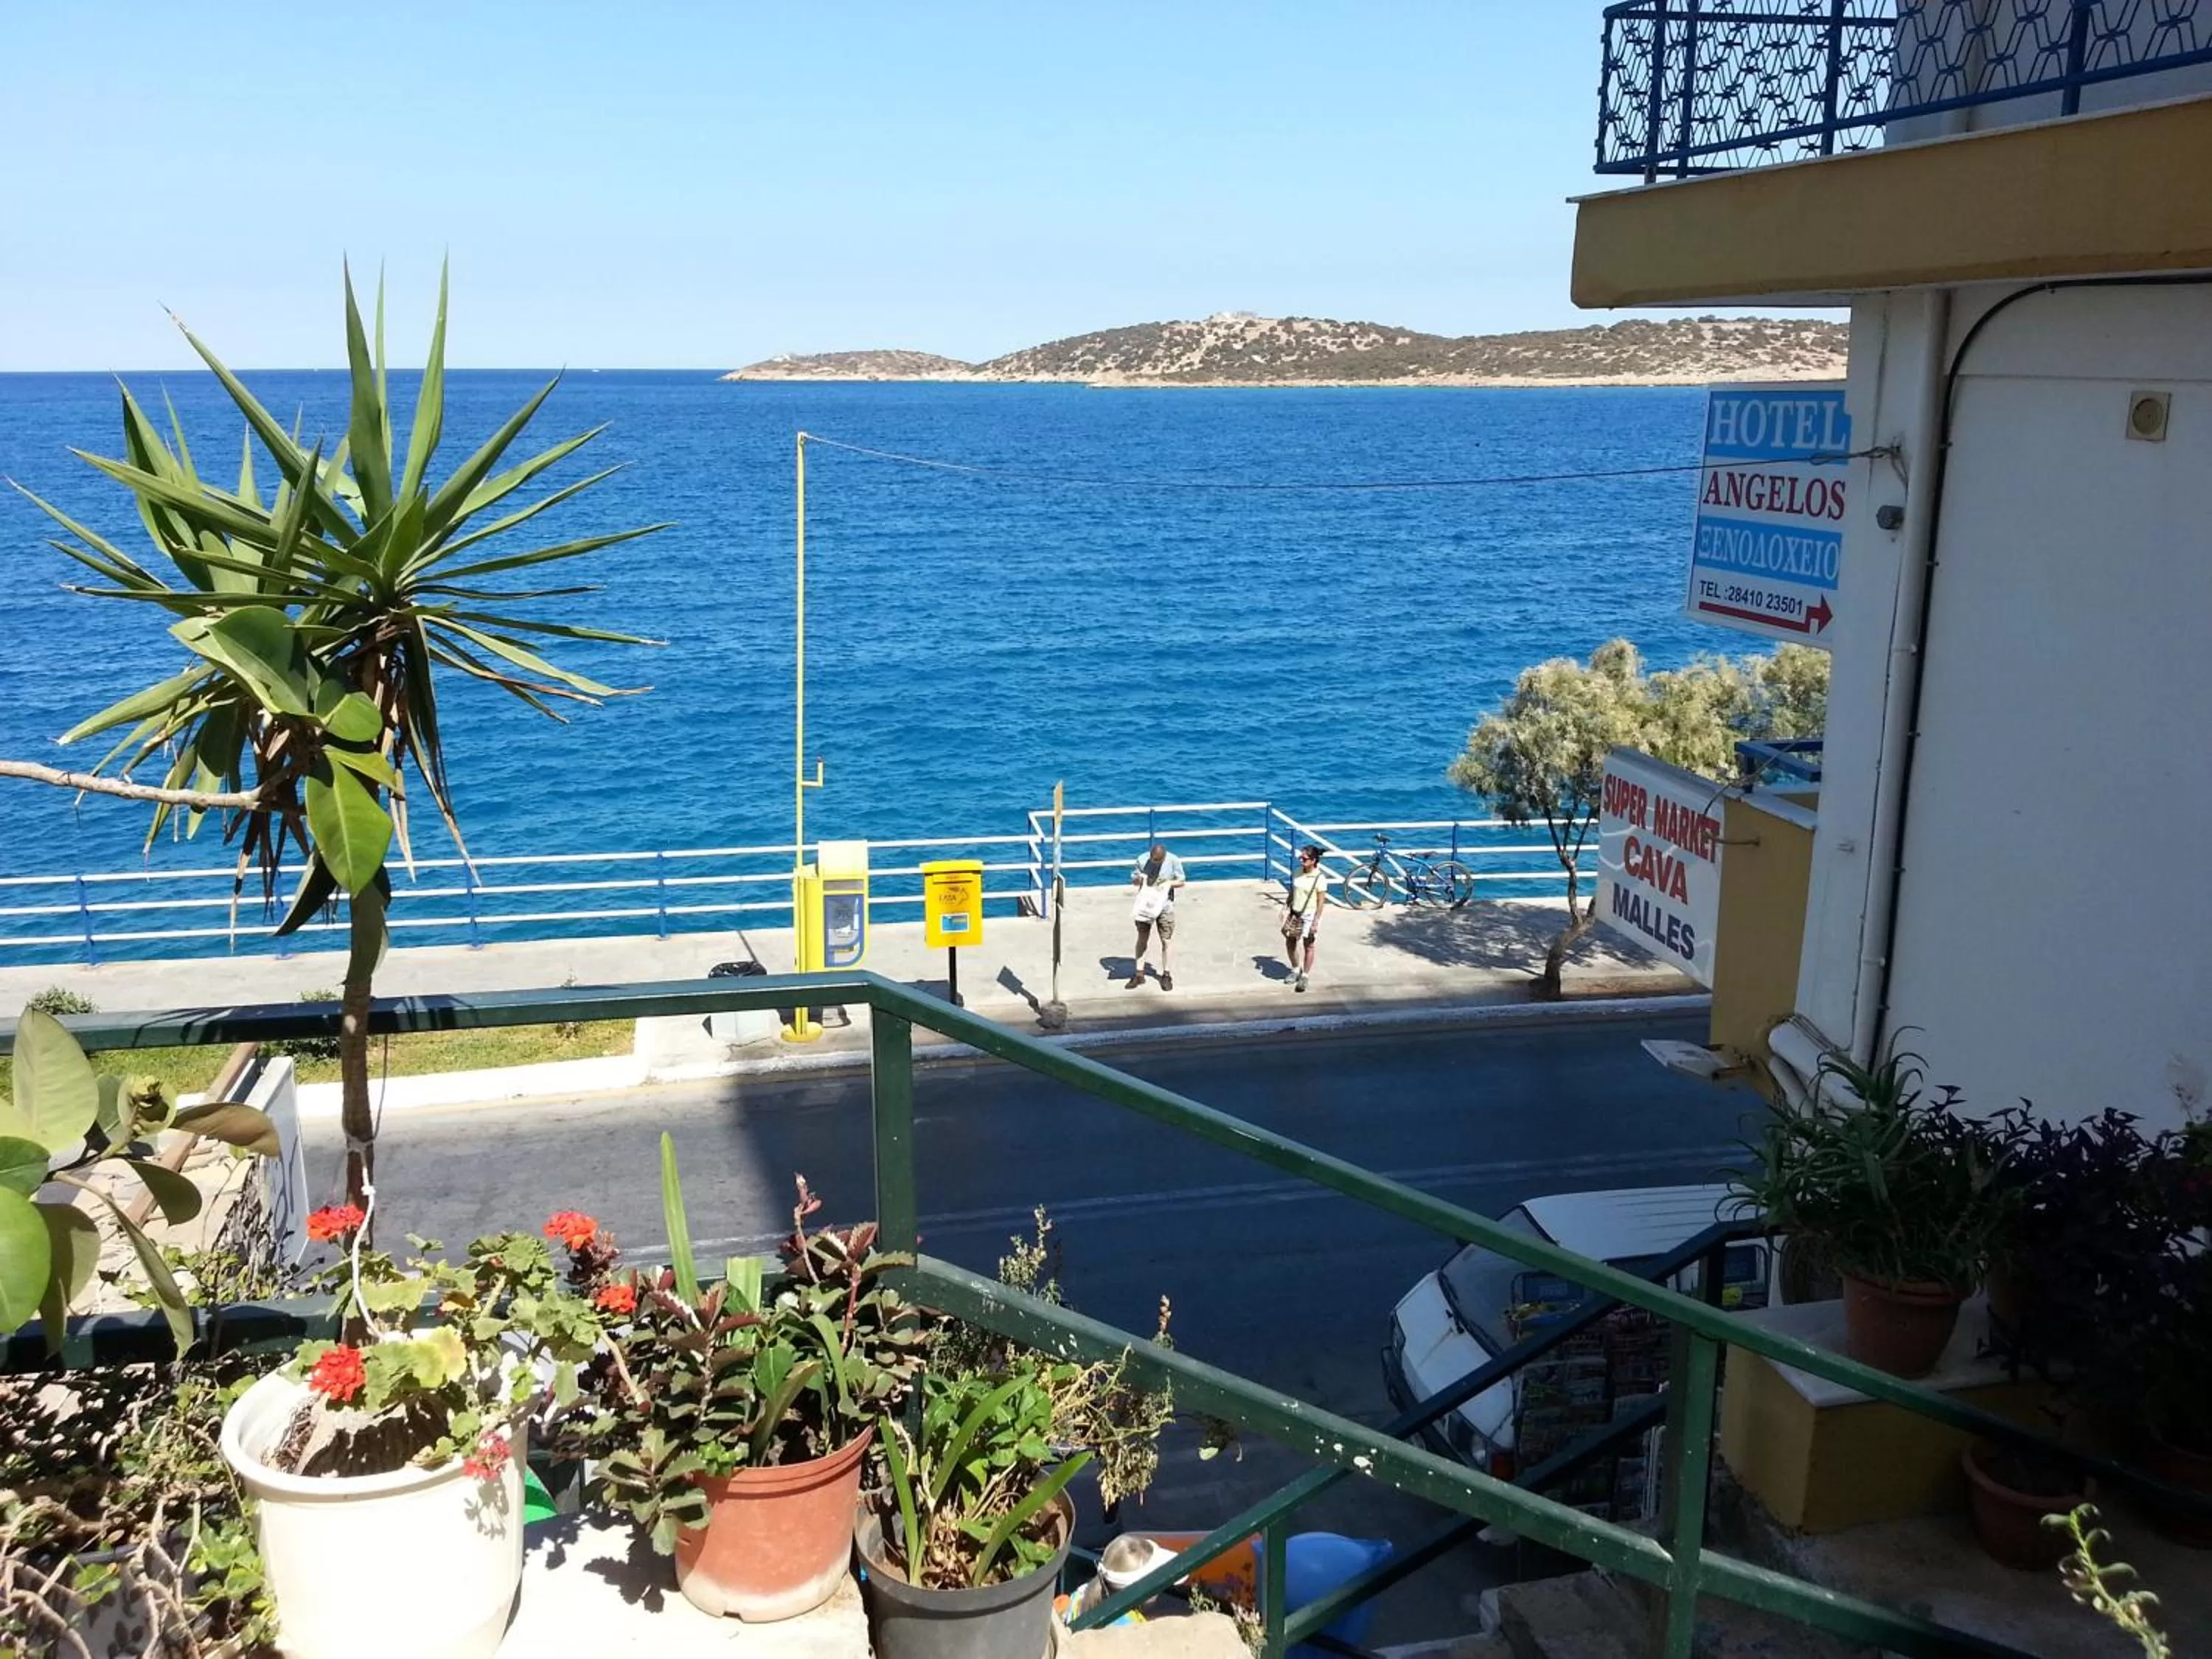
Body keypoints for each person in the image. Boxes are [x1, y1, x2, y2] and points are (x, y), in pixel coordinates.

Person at [1127, 841, 1186, 990]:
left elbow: (1181, 881)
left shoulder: (1173, 860)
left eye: (1158, 861)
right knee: (1142, 938)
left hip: (1165, 905)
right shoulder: (1141, 860)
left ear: (1164, 857)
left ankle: (1166, 974)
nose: (1155, 864)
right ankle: (1139, 974)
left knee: (1166, 940)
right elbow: (1134, 881)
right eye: (1153, 861)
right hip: (1146, 905)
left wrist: (1168, 883)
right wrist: (1139, 879)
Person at [1283, 843, 1329, 992]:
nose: (1301, 861)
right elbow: (1293, 891)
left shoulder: (1320, 878)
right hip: (1295, 912)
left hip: (1309, 914)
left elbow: (1321, 902)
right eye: (1301, 858)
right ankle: (1296, 969)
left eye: (1305, 858)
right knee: (1290, 941)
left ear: (1314, 860)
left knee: (1309, 945)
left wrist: (1316, 921)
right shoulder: (1297, 872)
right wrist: (1285, 907)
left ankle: (1305, 975)